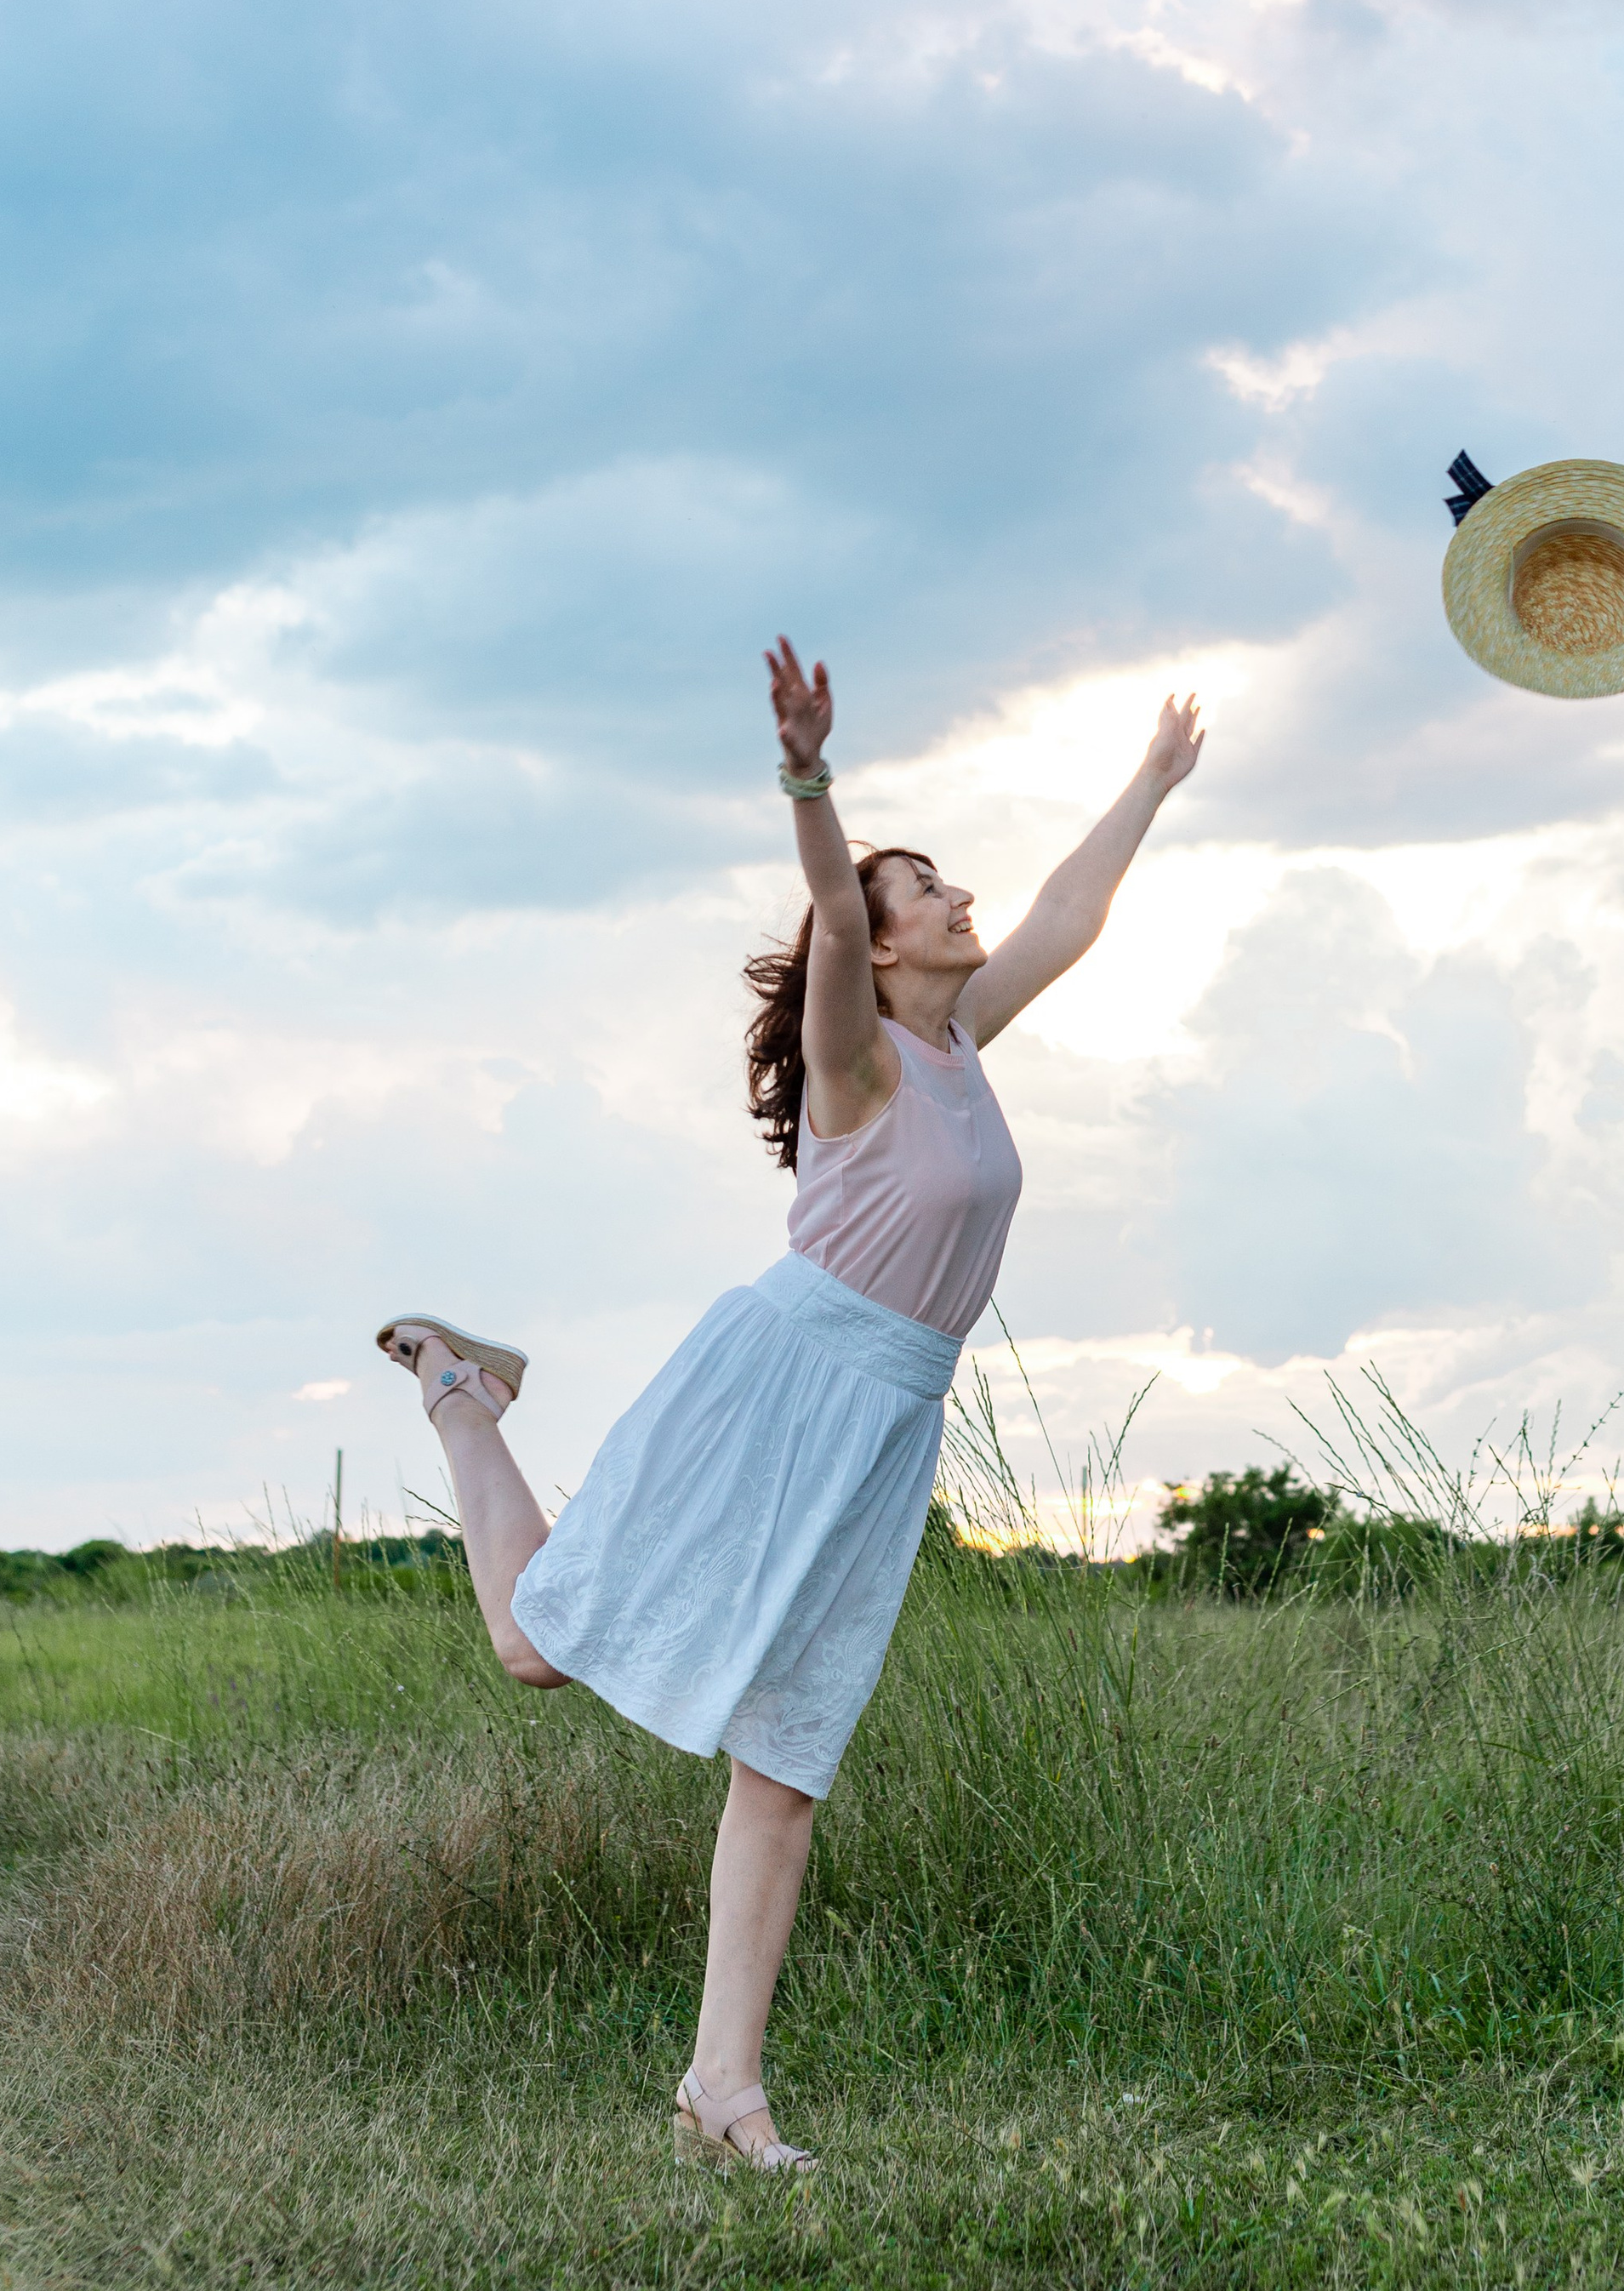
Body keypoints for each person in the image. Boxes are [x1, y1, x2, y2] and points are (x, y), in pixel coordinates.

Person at [376, 639, 1202, 2169]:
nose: (961, 901)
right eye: (928, 891)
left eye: (955, 886)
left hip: (885, 1426)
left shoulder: (960, 1041)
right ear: (881, 952)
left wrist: (1151, 778)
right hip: (778, 1387)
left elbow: (1065, 924)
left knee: (786, 1761)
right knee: (532, 1645)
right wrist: (811, 775)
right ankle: (460, 1391)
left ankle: (722, 2094)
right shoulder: (864, 1067)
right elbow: (830, 907)